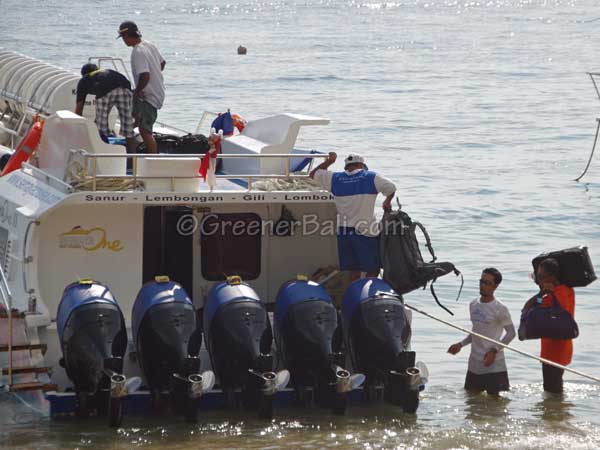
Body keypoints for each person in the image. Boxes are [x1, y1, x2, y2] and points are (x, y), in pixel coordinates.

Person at [309, 152, 396, 281]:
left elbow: (313, 174)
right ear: (361, 165)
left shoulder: (335, 178)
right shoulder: (370, 176)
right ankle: (368, 296)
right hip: (364, 230)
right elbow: (391, 187)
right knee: (373, 268)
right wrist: (387, 201)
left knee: (353, 269)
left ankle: (354, 293)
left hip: (343, 231)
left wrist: (330, 161)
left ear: (346, 167)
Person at [448, 268, 515, 396]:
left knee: (495, 403)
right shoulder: (473, 304)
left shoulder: (500, 308)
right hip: (475, 362)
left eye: (487, 283)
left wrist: (494, 351)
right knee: (471, 401)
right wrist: (460, 344)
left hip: (493, 362)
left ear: (495, 286)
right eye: (481, 281)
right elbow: (476, 331)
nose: (482, 285)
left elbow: (511, 333)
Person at [522, 258, 575, 394]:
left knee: (551, 389)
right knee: (556, 385)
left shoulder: (552, 296)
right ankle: (557, 412)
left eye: (540, 276)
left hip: (553, 351)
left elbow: (529, 308)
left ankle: (554, 414)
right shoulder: (568, 290)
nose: (538, 280)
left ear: (551, 277)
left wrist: (541, 294)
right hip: (564, 348)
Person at [117, 21, 165, 154]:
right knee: (134, 118)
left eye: (124, 38)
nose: (124, 41)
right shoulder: (149, 44)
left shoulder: (137, 51)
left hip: (148, 96)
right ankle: (130, 146)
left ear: (127, 35)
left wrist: (137, 91)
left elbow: (145, 75)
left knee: (145, 131)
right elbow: (162, 63)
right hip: (157, 92)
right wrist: (156, 76)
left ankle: (152, 160)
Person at [74, 63, 136, 153]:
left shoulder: (84, 80)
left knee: (100, 127)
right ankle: (133, 158)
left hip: (105, 91)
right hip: (125, 88)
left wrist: (77, 126)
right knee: (128, 128)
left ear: (84, 74)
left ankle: (103, 153)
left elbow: (79, 107)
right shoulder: (108, 71)